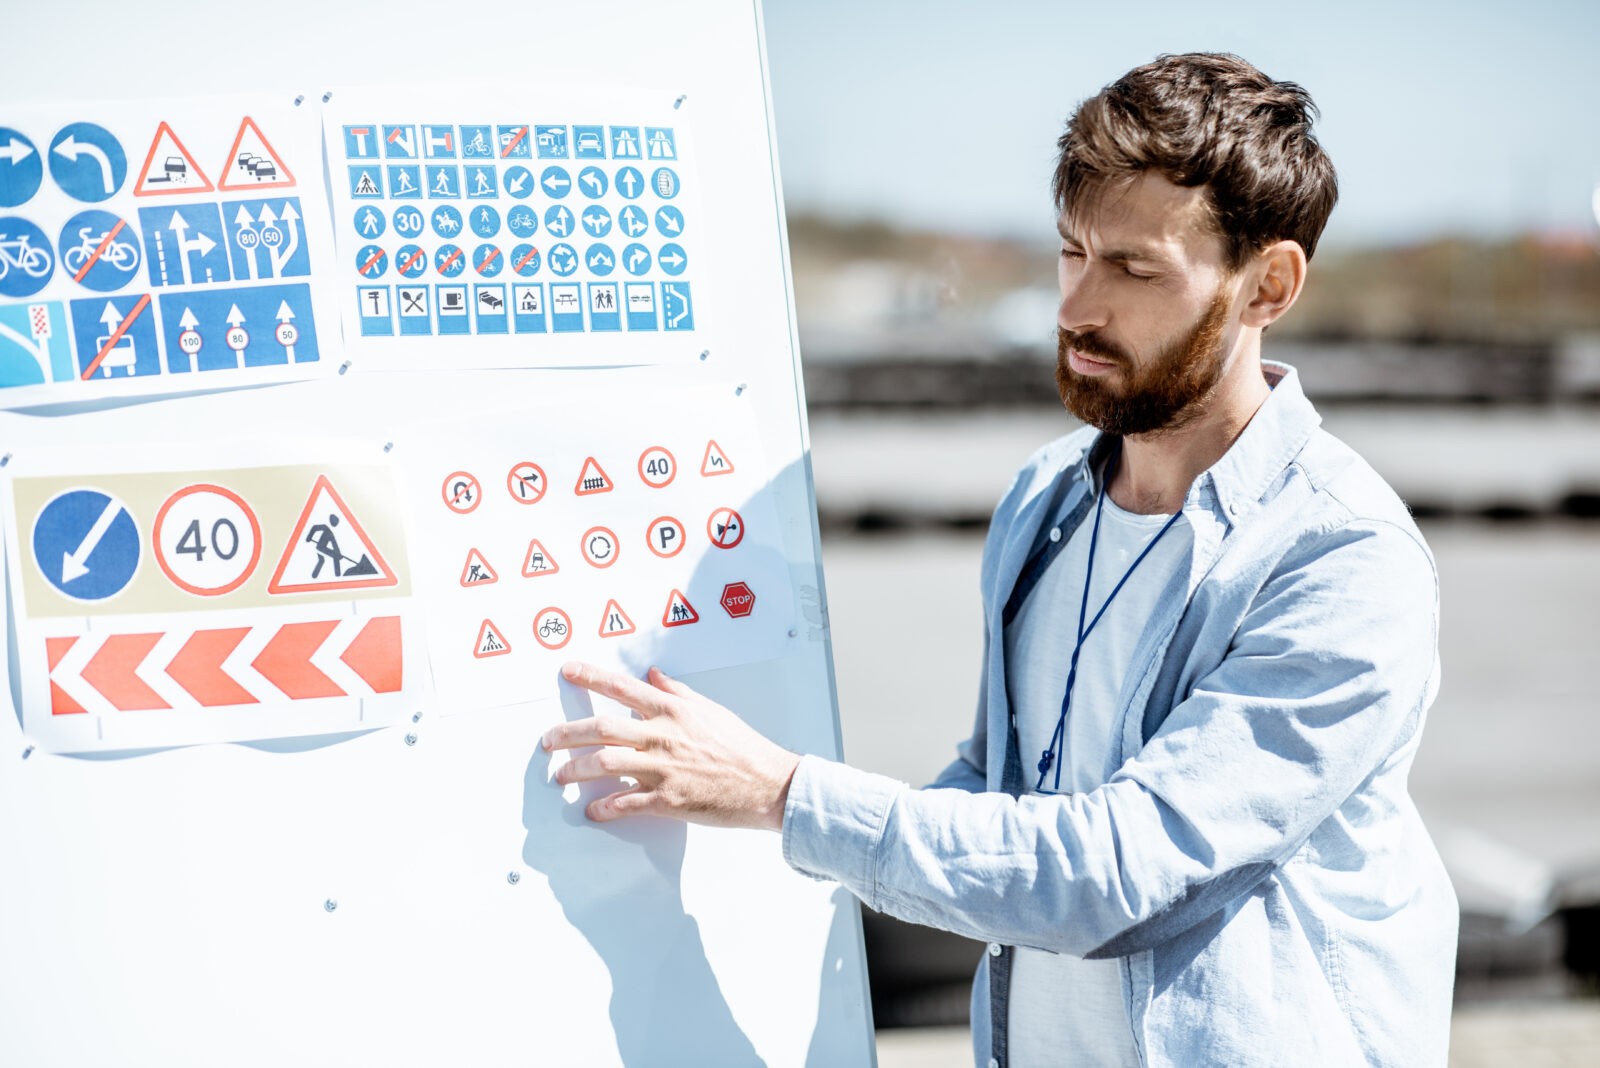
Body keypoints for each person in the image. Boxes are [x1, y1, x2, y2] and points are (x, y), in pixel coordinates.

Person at [544, 53, 1457, 1066]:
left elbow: (1120, 869)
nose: (1075, 307)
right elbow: (1001, 785)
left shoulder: (1341, 560)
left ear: (1268, 286)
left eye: (1132, 269)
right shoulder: (1046, 498)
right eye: (1071, 253)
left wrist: (782, 794)